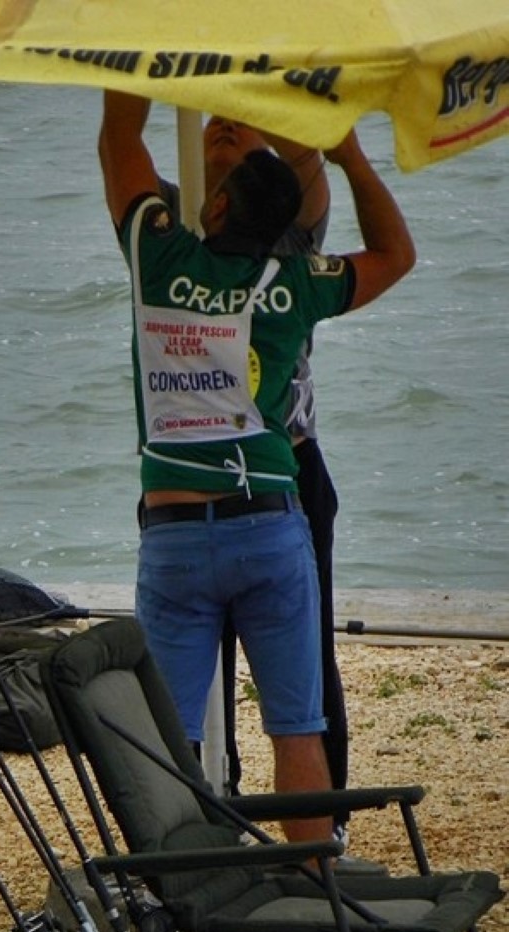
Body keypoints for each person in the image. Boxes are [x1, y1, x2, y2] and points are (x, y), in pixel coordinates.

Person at [98, 90, 415, 844]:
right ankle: (315, 880)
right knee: (297, 727)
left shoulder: (158, 257)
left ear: (213, 208)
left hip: (175, 530)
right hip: (270, 521)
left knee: (170, 737)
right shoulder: (297, 282)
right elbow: (396, 255)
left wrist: (135, 57)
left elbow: (118, 140)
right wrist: (349, 155)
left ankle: (179, 880)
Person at [160, 118, 348, 815]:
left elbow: (313, 174)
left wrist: (269, 104)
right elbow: (121, 176)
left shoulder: (284, 222)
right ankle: (217, 799)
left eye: (238, 129)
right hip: (190, 471)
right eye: (212, 123)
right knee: (193, 656)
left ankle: (325, 814)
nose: (223, 129)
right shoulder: (175, 221)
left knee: (303, 661)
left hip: (287, 468)